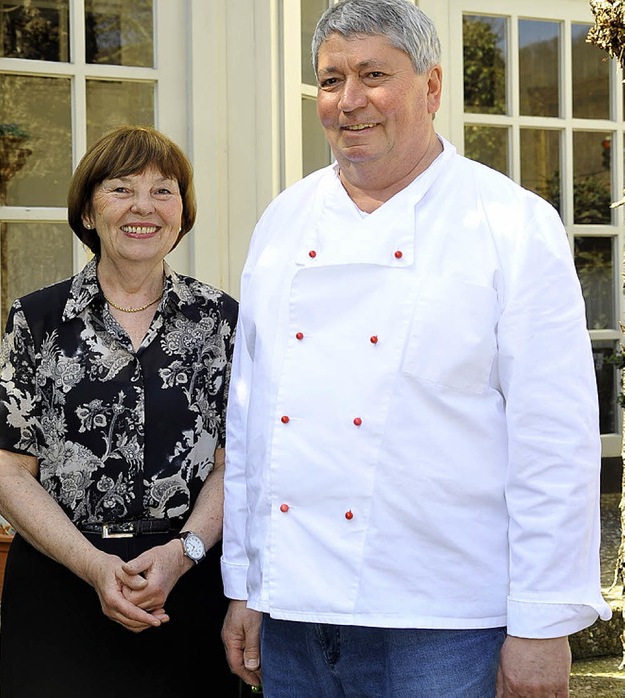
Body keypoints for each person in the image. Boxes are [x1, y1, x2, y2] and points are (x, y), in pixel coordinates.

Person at [220, 1, 613, 695]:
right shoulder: (283, 221)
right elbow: (252, 426)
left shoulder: (510, 224)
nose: (350, 101)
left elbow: (554, 439)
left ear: (431, 87)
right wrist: (248, 584)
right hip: (294, 614)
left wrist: (543, 625)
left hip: (448, 620)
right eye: (332, 79)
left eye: (374, 74)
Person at [0, 125, 240, 697]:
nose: (144, 207)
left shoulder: (222, 321)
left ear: (182, 212)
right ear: (87, 210)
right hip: (60, 585)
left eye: (164, 190)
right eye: (122, 189)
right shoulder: (39, 318)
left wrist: (184, 553)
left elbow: (235, 463)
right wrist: (94, 566)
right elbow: (3, 466)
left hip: (185, 588)